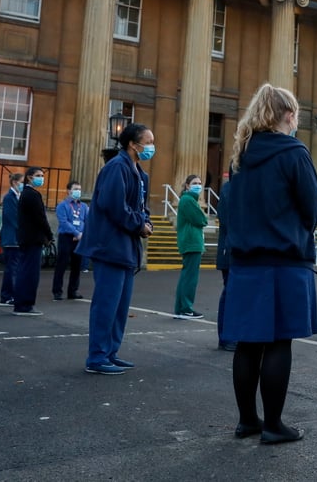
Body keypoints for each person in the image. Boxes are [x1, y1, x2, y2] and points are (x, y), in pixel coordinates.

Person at [221, 84, 317, 445]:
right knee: (279, 343)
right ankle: (274, 425)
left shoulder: (241, 156)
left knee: (249, 344)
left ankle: (248, 420)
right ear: (288, 115)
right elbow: (312, 208)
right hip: (284, 259)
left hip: (247, 262)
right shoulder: (294, 152)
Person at [76, 123, 155, 375]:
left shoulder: (138, 172)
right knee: (106, 305)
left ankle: (110, 352)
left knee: (120, 307)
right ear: (133, 144)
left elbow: (142, 207)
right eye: (149, 142)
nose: (152, 147)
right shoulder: (116, 168)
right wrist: (139, 225)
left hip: (126, 249)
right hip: (110, 246)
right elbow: (114, 206)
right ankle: (97, 357)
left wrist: (147, 222)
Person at [14, 168, 52, 316]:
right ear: (29, 178)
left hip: (27, 237)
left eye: (42, 176)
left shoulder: (26, 194)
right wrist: (49, 234)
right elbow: (40, 218)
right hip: (32, 238)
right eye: (38, 176)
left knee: (25, 270)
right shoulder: (32, 195)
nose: (41, 178)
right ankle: (25, 304)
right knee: (30, 273)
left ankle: (22, 303)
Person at [173, 174, 208, 320]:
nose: (198, 185)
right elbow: (201, 219)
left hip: (190, 241)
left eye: (200, 183)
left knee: (186, 276)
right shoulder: (188, 200)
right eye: (194, 183)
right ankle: (186, 308)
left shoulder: (188, 200)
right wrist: (203, 217)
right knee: (190, 278)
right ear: (187, 185)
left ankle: (181, 308)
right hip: (192, 242)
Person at [53, 180, 88, 301]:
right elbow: (63, 222)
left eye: (79, 189)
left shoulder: (83, 206)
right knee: (61, 265)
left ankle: (73, 290)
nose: (78, 191)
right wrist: (76, 232)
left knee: (76, 265)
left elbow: (86, 221)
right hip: (66, 237)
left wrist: (81, 233)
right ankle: (57, 291)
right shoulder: (62, 205)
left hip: (79, 238)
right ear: (69, 191)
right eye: (75, 189)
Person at [215, 178, 235, 351]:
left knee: (233, 293)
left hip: (233, 249)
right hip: (231, 250)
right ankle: (227, 337)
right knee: (231, 294)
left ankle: (230, 336)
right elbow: (230, 219)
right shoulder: (231, 188)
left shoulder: (233, 187)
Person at [0, 172, 23, 306]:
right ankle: (7, 296)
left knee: (15, 269)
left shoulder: (18, 197)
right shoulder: (9, 197)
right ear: (15, 182)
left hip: (16, 238)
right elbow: (13, 218)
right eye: (22, 181)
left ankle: (11, 295)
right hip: (12, 238)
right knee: (11, 269)